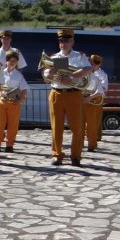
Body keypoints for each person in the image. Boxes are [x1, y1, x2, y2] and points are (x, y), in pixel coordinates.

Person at [42, 28, 93, 166]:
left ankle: (75, 156)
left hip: (74, 94)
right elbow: (46, 77)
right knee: (56, 127)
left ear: (72, 41)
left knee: (77, 127)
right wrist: (51, 73)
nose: (63, 43)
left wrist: (72, 76)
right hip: (56, 94)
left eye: (66, 41)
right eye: (61, 41)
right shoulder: (55, 57)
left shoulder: (79, 56)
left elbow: (89, 69)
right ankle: (57, 155)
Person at [0, 50, 30, 153]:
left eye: (14, 61)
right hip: (2, 102)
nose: (12, 63)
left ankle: (9, 144)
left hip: (14, 104)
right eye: (10, 61)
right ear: (6, 61)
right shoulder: (0, 73)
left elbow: (25, 89)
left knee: (13, 125)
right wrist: (0, 95)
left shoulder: (19, 76)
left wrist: (20, 100)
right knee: (0, 124)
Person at [82, 54, 109, 153]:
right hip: (83, 99)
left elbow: (102, 91)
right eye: (91, 63)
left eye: (96, 63)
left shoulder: (102, 75)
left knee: (92, 123)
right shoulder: (85, 73)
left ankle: (92, 143)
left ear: (99, 64)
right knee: (79, 122)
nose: (93, 65)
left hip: (94, 101)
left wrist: (90, 97)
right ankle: (80, 142)